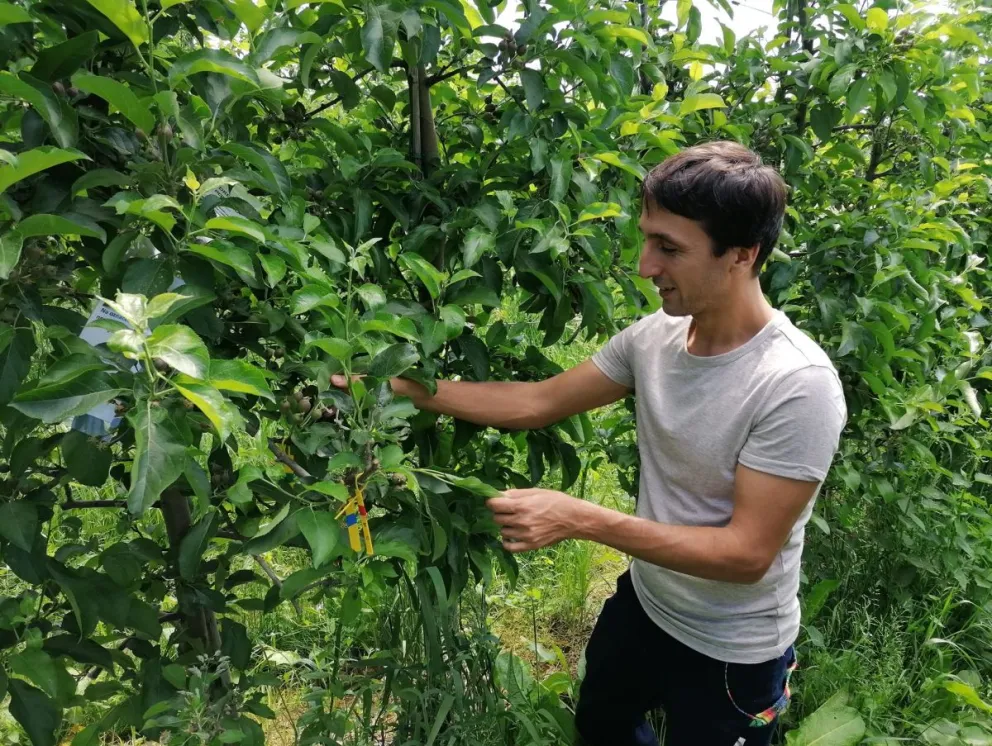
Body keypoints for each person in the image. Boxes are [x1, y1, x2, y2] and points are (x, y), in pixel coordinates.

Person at [332, 140, 847, 746]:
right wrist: (401, 387)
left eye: (669, 248)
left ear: (742, 255)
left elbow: (746, 554)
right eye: (647, 238)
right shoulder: (655, 338)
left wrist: (579, 518)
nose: (643, 265)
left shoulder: (795, 384)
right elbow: (535, 402)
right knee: (602, 727)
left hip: (732, 651)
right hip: (647, 606)